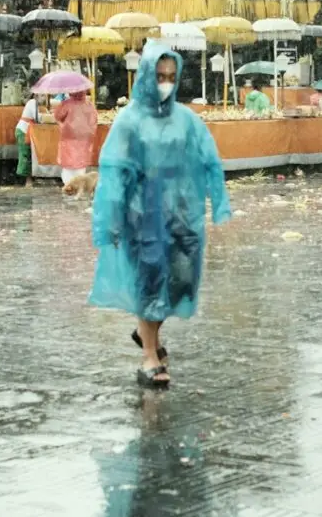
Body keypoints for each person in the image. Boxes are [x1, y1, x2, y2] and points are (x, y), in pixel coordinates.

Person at [88, 44, 231, 388]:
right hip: (143, 213)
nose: (165, 83)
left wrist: (217, 200)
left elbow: (208, 158)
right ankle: (149, 356)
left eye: (171, 77)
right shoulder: (129, 120)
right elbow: (114, 171)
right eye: (159, 76)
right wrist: (112, 218)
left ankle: (146, 332)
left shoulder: (186, 119)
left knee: (180, 282)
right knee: (150, 279)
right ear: (147, 77)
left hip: (182, 213)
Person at [54, 90, 97, 187]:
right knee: (81, 167)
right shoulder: (89, 105)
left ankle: (69, 188)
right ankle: (79, 188)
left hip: (68, 140)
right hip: (84, 141)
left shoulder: (67, 104)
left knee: (68, 168)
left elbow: (57, 116)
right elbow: (94, 121)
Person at [16, 92, 41, 188]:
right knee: (26, 155)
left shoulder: (35, 103)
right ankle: (28, 180)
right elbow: (38, 118)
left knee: (30, 154)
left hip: (28, 131)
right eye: (41, 95)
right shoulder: (32, 102)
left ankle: (30, 179)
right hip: (23, 131)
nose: (43, 98)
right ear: (35, 95)